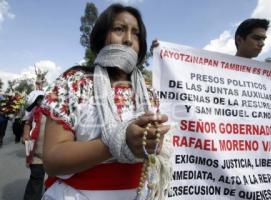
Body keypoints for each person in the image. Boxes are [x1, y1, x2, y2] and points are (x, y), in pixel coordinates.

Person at [41, 3, 172, 200]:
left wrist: (154, 141)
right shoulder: (74, 82)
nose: (128, 40)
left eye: (136, 33)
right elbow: (52, 159)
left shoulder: (149, 92)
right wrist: (121, 141)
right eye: (119, 29)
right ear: (102, 36)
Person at [23, 90, 46, 200]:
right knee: (36, 179)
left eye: (42, 99)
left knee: (54, 182)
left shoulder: (58, 111)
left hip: (54, 154)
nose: (41, 101)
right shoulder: (34, 111)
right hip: (36, 155)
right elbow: (27, 123)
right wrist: (26, 134)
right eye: (39, 99)